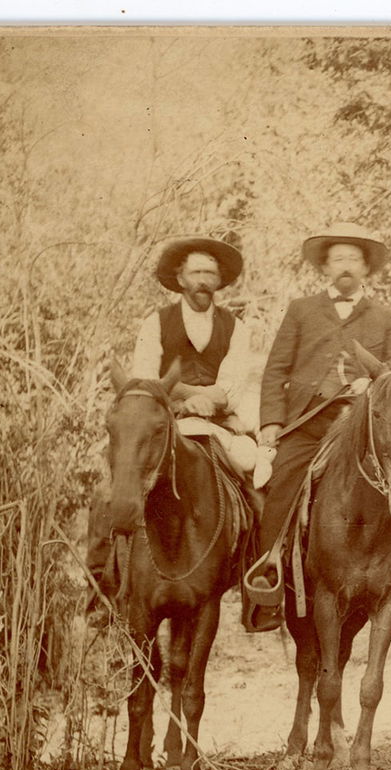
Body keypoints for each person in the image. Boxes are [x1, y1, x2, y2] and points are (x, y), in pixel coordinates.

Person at [242, 222, 391, 632]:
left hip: (363, 424)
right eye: (338, 259)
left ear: (366, 269)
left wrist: (375, 382)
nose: (346, 266)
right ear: (325, 267)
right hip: (308, 423)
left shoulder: (382, 316)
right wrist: (272, 424)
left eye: (354, 259)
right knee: (282, 484)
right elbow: (276, 369)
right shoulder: (300, 310)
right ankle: (269, 579)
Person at [85, 236, 263, 607]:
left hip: (217, 425)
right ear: (180, 279)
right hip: (164, 425)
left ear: (219, 281)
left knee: (255, 475)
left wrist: (204, 398)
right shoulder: (156, 323)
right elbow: (145, 379)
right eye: (196, 273)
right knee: (112, 489)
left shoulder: (236, 328)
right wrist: (183, 398)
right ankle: (102, 587)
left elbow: (231, 386)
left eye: (210, 274)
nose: (203, 281)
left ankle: (255, 577)